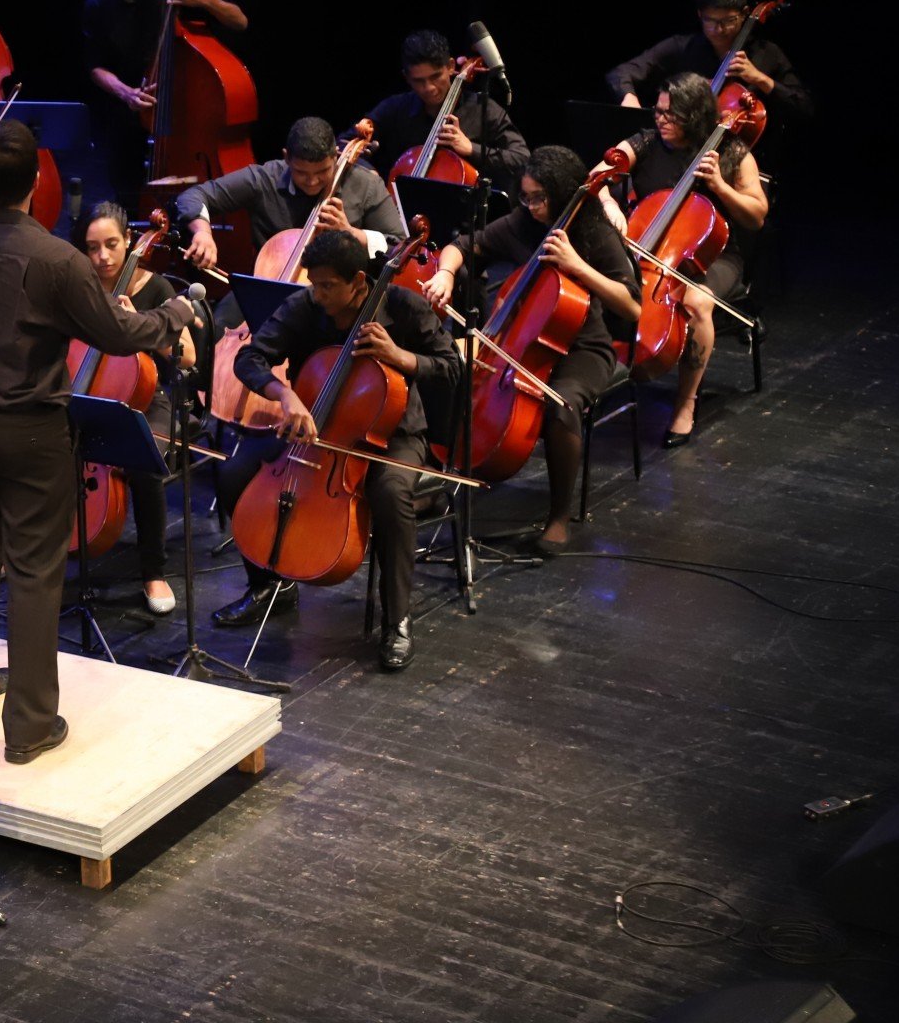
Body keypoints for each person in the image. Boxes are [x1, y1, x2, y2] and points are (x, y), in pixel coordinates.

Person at [0, 123, 198, 763]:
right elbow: (116, 331)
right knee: (32, 571)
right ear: (35, 185)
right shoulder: (58, 259)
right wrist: (177, 315)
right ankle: (27, 727)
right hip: (30, 432)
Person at [205, 231, 460, 670]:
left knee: (391, 494)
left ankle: (396, 619)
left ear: (359, 280)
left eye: (327, 286)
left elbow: (452, 368)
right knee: (234, 471)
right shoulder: (307, 305)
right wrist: (285, 397)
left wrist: (400, 356)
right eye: (314, 283)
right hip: (313, 421)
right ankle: (269, 585)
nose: (317, 294)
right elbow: (250, 358)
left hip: (391, 431)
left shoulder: (403, 307)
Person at [419, 146, 641, 554]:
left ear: (562, 193)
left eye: (540, 198)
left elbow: (630, 305)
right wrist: (447, 273)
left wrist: (577, 266)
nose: (532, 206)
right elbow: (462, 245)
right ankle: (442, 479)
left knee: (562, 408)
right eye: (526, 196)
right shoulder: (523, 222)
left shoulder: (595, 233)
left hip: (583, 346)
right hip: (522, 340)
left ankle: (558, 515)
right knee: (446, 371)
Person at [594, 72, 767, 447]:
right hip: (652, 250)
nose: (661, 121)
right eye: (658, 112)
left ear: (696, 115)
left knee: (696, 301)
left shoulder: (733, 153)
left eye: (671, 115)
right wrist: (608, 201)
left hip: (714, 257)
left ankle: (686, 403)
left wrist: (720, 186)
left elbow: (757, 214)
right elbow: (598, 173)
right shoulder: (647, 141)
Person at [75, 203, 199, 614]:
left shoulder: (156, 288)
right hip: (89, 391)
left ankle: (153, 570)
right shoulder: (81, 285)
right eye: (93, 248)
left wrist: (141, 327)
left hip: (146, 397)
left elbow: (187, 357)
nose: (103, 257)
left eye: (111, 245)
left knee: (144, 465)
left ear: (130, 240)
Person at [82, 0, 248, 208]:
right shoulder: (99, 3)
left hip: (186, 119)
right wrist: (125, 91)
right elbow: (95, 66)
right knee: (128, 203)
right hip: (129, 123)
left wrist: (205, 0)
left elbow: (240, 21)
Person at [174, 116, 404, 274]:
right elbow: (192, 196)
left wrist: (351, 233)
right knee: (217, 323)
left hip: (341, 298)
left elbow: (400, 245)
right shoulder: (265, 179)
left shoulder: (366, 184)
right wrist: (202, 233)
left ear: (336, 156)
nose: (312, 181)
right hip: (272, 285)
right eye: (301, 173)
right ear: (286, 158)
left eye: (323, 171)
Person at [606, 0, 813, 125]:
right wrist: (629, 98)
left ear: (745, 13)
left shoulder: (767, 53)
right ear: (699, 15)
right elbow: (621, 73)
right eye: (710, 20)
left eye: (728, 20)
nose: (718, 29)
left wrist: (760, 79)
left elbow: (804, 108)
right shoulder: (682, 47)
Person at [363, 29, 527, 189]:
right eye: (419, 81)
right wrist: (367, 172)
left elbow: (522, 159)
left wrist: (471, 149)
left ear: (450, 66)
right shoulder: (395, 109)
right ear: (407, 77)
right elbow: (344, 144)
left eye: (435, 77)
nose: (429, 88)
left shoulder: (483, 109)